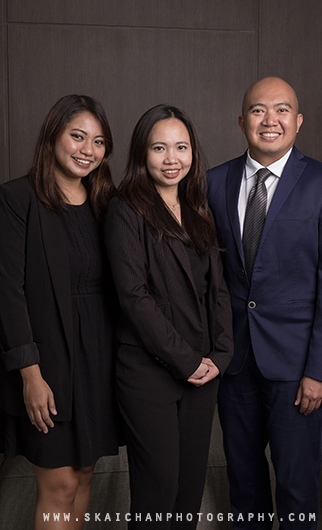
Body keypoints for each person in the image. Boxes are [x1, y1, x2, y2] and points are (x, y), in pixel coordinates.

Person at [206, 76, 322, 528]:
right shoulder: (213, 181)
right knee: (244, 484)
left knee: (296, 486)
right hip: (234, 364)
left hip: (297, 370)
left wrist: (321, 370)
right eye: (257, 110)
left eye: (282, 110)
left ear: (298, 121)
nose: (269, 120)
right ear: (241, 120)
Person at [0, 94, 119, 530]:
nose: (87, 150)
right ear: (52, 137)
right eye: (77, 136)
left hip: (99, 358)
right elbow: (7, 292)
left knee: (82, 477)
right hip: (46, 360)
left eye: (98, 142)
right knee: (59, 484)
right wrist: (30, 374)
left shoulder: (107, 203)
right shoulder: (14, 199)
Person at [104, 105, 233, 528]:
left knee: (188, 490)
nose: (171, 158)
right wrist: (187, 360)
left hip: (203, 371)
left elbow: (217, 289)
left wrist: (220, 354)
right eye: (159, 148)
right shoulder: (126, 209)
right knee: (157, 491)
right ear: (143, 152)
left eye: (181, 147)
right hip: (148, 371)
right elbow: (134, 298)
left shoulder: (199, 208)